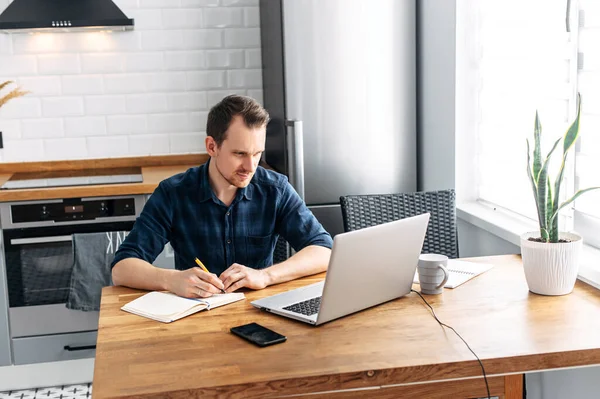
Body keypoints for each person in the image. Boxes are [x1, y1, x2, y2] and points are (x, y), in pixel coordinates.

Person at [111, 95, 333, 298]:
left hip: (261, 315)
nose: (250, 166)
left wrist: (265, 276)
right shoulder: (173, 193)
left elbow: (324, 250)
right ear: (211, 146)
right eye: (240, 154)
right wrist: (171, 280)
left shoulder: (276, 189)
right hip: (197, 318)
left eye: (257, 153)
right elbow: (122, 268)